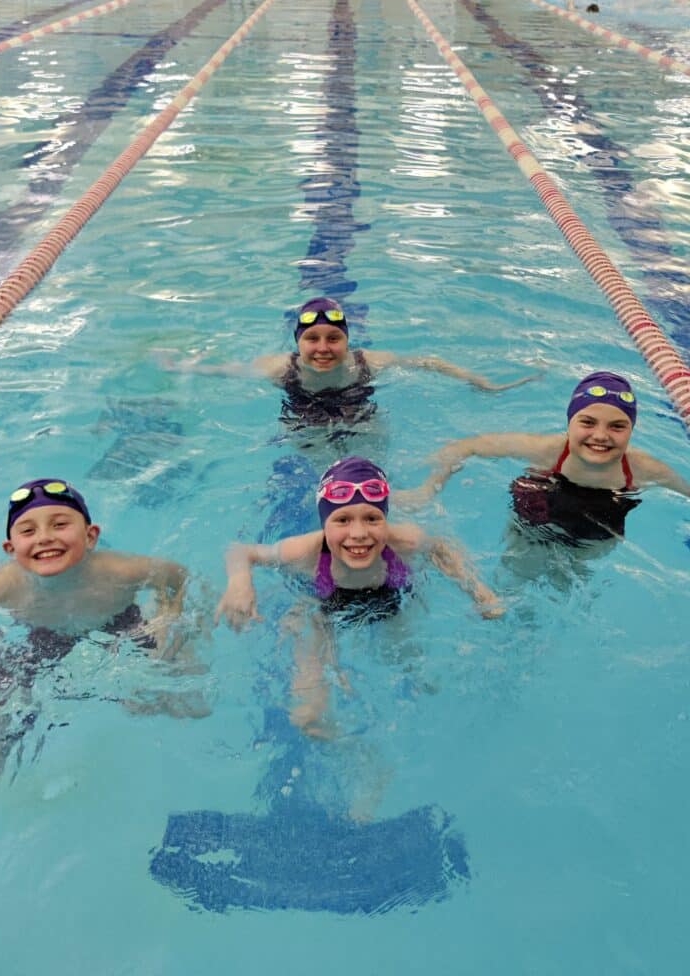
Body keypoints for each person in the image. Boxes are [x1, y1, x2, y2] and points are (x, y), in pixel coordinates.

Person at [0, 478, 203, 785]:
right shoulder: (2, 584)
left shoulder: (120, 571)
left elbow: (179, 579)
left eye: (59, 525)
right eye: (28, 531)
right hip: (40, 638)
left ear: (91, 536)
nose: (44, 538)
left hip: (119, 621)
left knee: (188, 704)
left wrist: (166, 624)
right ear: (10, 548)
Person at [216, 457, 503, 735]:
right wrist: (240, 582)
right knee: (308, 712)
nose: (359, 533)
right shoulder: (303, 552)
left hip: (392, 600)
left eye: (372, 518)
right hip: (323, 608)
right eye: (342, 519)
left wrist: (480, 592)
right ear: (324, 522)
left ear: (385, 519)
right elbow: (241, 551)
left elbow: (441, 548)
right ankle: (350, 748)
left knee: (413, 673)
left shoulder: (406, 541)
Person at [161, 296, 537, 434]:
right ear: (297, 342)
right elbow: (230, 370)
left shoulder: (369, 362)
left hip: (362, 415)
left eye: (333, 338)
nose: (323, 348)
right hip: (303, 421)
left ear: (348, 340)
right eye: (312, 339)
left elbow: (427, 362)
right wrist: (182, 367)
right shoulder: (278, 367)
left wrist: (477, 379)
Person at [401, 371, 690, 547]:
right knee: (514, 577)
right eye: (588, 423)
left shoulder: (644, 468)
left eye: (617, 426)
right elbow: (467, 446)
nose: (600, 436)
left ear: (631, 431)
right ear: (569, 424)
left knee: (568, 583)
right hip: (539, 504)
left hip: (599, 522)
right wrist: (429, 487)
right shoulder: (548, 450)